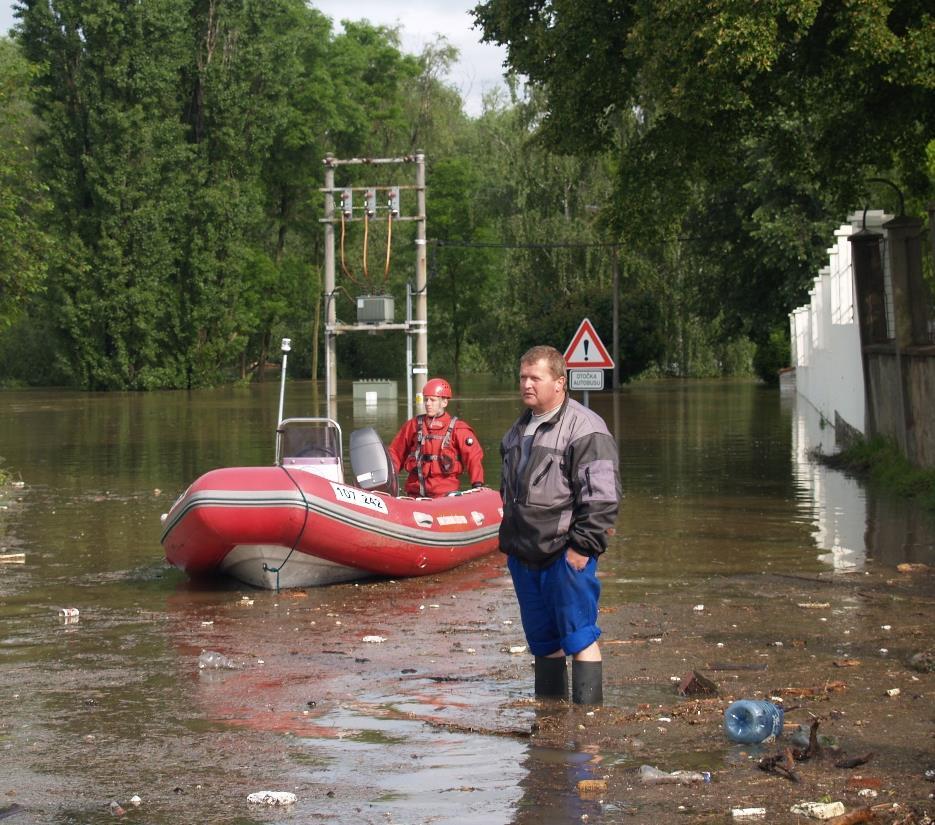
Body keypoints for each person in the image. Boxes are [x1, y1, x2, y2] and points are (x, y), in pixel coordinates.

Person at [499, 345, 621, 705]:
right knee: (544, 641)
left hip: (565, 555)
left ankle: (587, 724)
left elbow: (603, 495)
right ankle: (549, 723)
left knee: (580, 636)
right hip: (524, 555)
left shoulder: (585, 428)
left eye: (535, 378)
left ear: (559, 382)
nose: (526, 385)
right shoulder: (518, 429)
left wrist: (584, 546)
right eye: (523, 377)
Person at [388, 376, 485, 497]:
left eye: (432, 400)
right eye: (426, 400)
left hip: (445, 496)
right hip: (415, 495)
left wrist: (477, 484)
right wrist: (388, 481)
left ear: (444, 402)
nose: (428, 404)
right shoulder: (413, 425)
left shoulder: (458, 429)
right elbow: (395, 454)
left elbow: (473, 458)